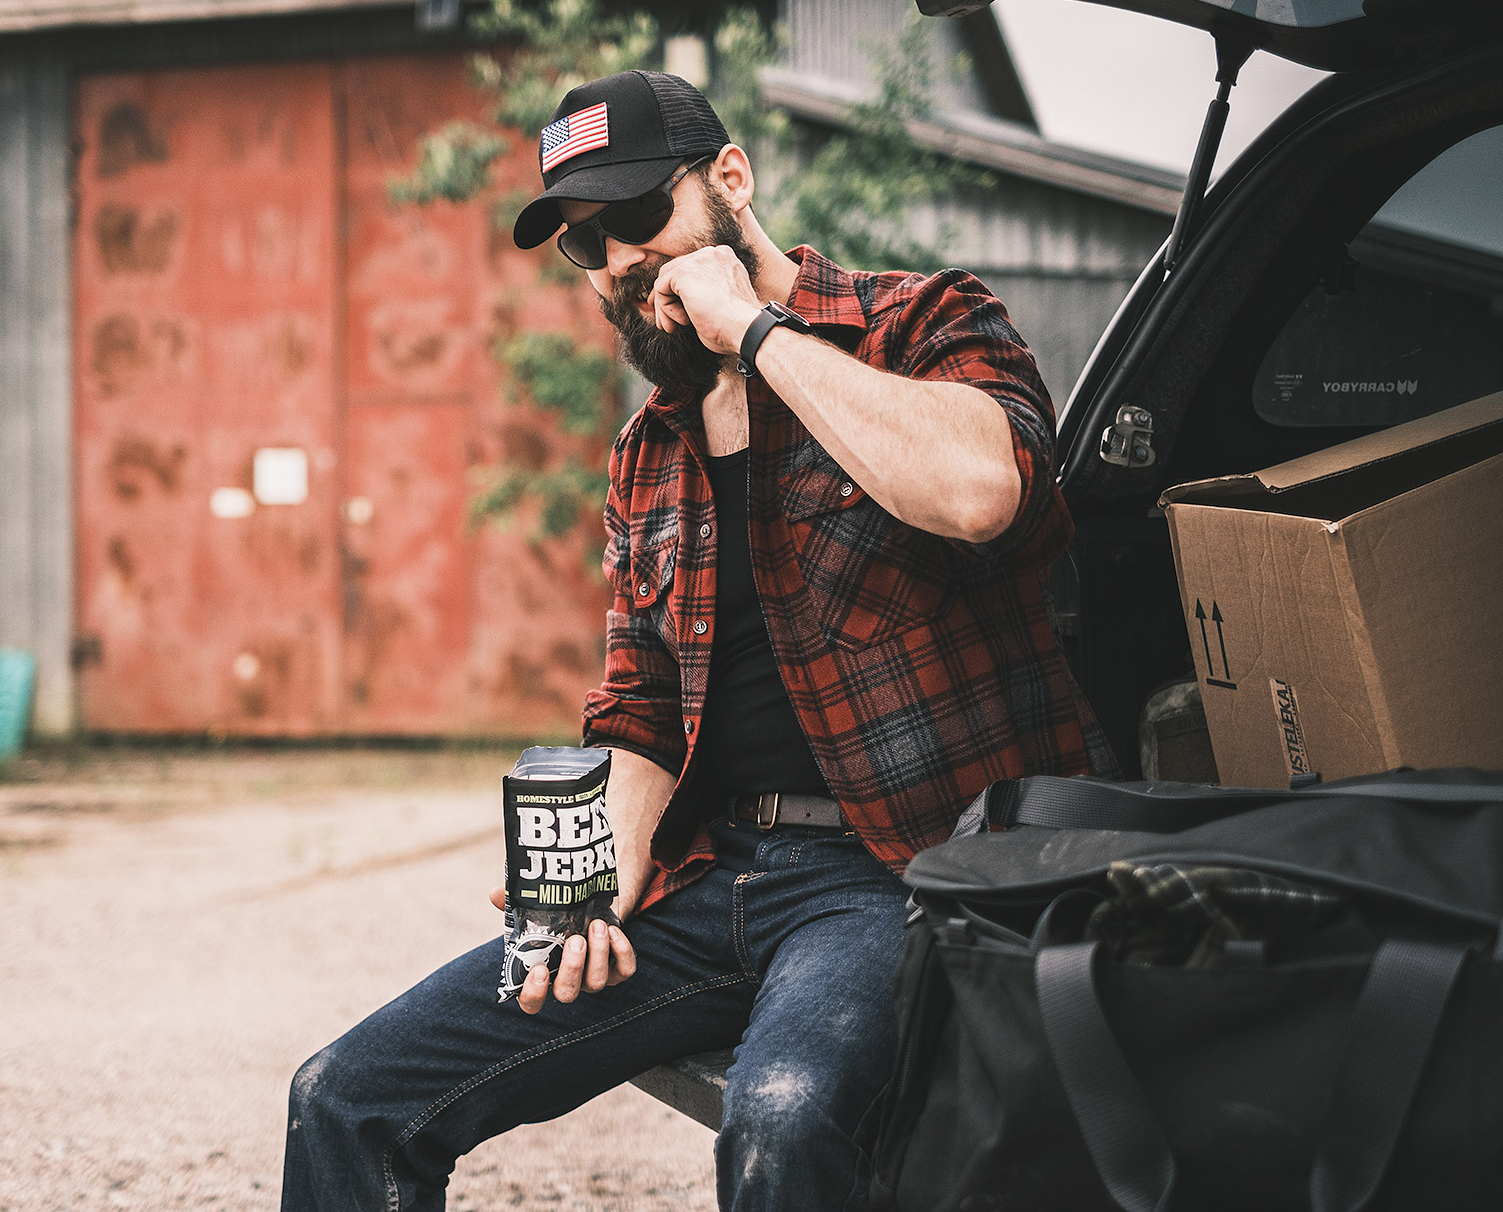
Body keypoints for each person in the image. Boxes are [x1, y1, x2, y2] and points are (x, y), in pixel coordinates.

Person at [282, 69, 1115, 1211]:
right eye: (587, 243)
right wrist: (597, 886)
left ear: (732, 178)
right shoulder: (648, 447)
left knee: (780, 1114)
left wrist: (756, 330)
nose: (620, 258)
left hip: (896, 875)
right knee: (345, 1093)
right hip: (706, 876)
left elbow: (982, 489)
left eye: (638, 215)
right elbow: (637, 706)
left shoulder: (924, 322)